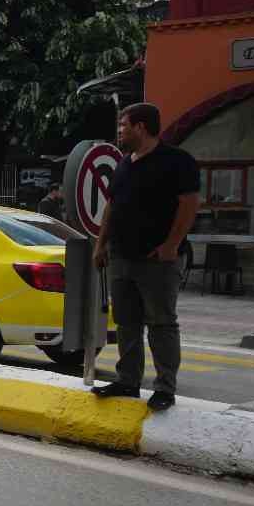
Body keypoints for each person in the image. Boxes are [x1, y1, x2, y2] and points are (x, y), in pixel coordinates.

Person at [92, 103, 199, 412]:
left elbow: (189, 203)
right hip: (121, 257)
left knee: (162, 323)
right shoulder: (125, 163)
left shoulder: (177, 161)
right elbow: (111, 207)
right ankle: (128, 381)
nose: (119, 131)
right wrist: (101, 246)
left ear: (141, 127)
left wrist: (171, 244)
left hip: (157, 260)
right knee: (126, 322)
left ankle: (165, 387)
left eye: (123, 125)